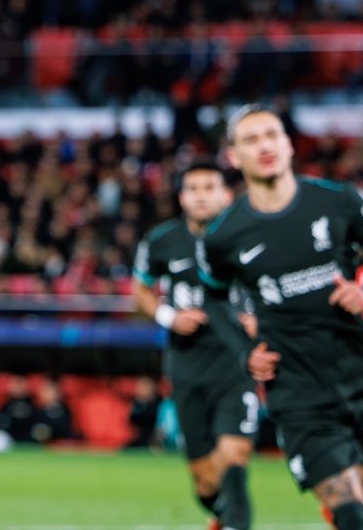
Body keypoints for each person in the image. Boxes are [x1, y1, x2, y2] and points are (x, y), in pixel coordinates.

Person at [198, 105, 363, 529]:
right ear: (233, 156)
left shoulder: (339, 201)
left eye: (272, 135)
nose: (264, 146)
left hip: (360, 369)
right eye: (251, 140)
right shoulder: (223, 236)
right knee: (353, 516)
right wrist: (245, 352)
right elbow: (214, 299)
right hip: (300, 394)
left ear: (289, 144)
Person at [133, 158, 256, 530]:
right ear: (182, 198)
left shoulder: (246, 234)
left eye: (209, 188)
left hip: (235, 362)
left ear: (226, 195)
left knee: (234, 455)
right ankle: (219, 515)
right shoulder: (161, 240)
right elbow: (140, 289)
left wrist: (256, 318)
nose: (201, 196)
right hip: (186, 366)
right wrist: (169, 316)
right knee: (205, 482)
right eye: (193, 189)